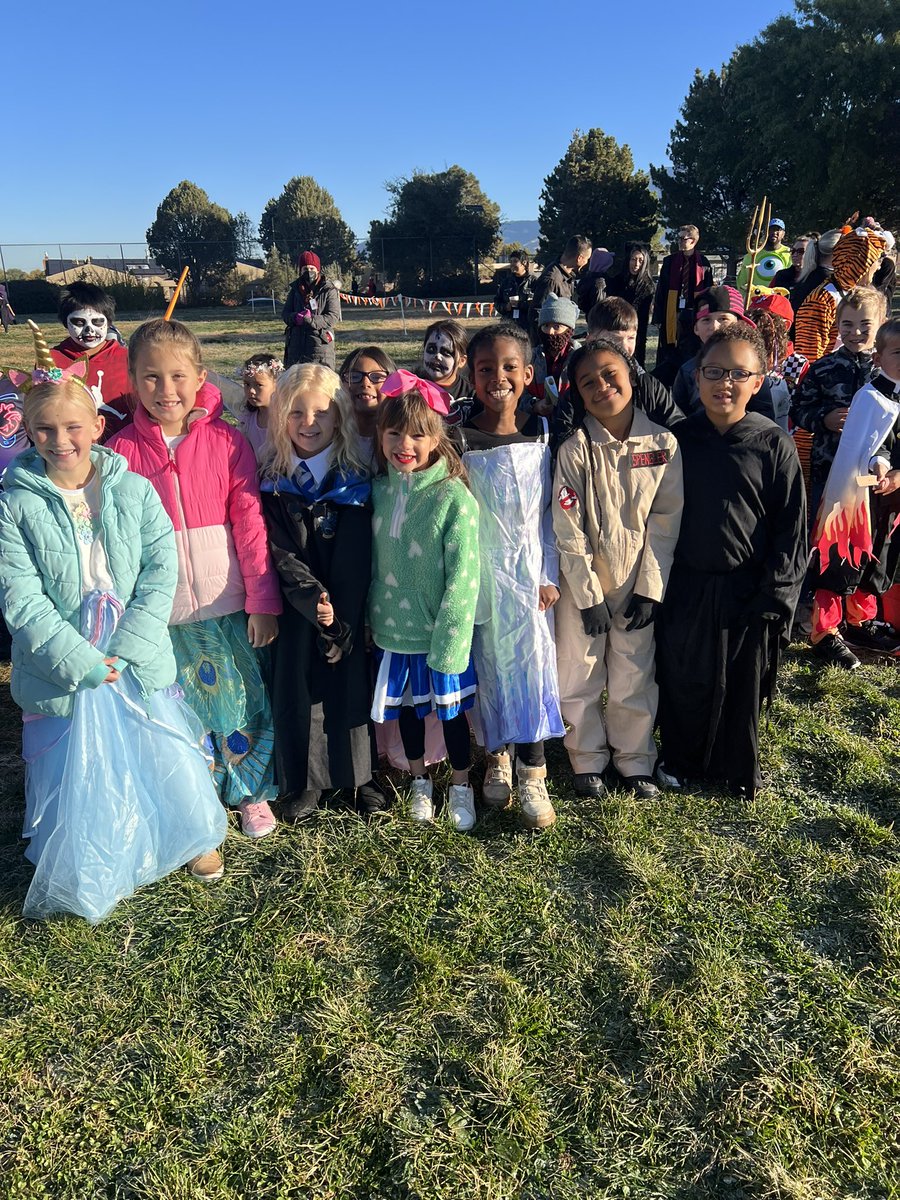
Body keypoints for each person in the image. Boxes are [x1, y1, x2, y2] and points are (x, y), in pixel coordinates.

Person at [0, 369, 227, 919]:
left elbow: (160, 569)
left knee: (156, 738)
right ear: (27, 432)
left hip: (132, 647)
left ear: (98, 426)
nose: (60, 441)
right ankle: (90, 849)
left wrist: (131, 642)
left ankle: (187, 830)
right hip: (64, 655)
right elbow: (20, 594)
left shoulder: (133, 490)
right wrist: (77, 658)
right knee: (77, 756)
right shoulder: (13, 504)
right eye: (44, 429)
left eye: (72, 427)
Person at [109, 319, 283, 838]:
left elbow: (250, 524)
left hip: (228, 600)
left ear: (201, 377)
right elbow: (117, 541)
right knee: (182, 705)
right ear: (133, 381)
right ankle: (197, 793)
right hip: (161, 612)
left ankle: (251, 791)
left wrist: (262, 601)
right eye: (151, 377)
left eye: (178, 376)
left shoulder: (228, 442)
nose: (166, 390)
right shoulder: (119, 454)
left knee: (241, 698)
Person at [655, 324, 807, 798]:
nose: (725, 383)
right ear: (696, 376)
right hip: (687, 585)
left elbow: (791, 528)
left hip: (747, 590)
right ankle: (679, 760)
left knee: (742, 683)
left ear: (758, 381)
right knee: (684, 677)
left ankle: (734, 767)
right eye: (714, 372)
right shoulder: (677, 441)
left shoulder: (773, 444)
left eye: (739, 374)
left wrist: (776, 595)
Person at [553, 339, 683, 800]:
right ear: (578, 393)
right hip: (582, 585)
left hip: (635, 583)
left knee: (634, 673)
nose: (601, 386)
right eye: (588, 381)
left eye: (610, 374)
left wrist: (650, 588)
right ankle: (586, 757)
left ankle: (634, 759)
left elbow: (665, 522)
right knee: (579, 670)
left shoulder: (663, 444)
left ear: (631, 375)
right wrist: (587, 597)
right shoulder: (576, 449)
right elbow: (567, 527)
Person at [259, 363, 386, 822]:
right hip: (295, 607)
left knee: (351, 681)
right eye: (296, 412)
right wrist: (312, 599)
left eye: (321, 412)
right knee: (299, 685)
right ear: (280, 417)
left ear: (339, 417)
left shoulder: (354, 480)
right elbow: (277, 549)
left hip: (347, 604)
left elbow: (357, 554)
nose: (308, 423)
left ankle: (360, 775)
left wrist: (340, 618)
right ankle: (306, 783)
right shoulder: (273, 481)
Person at [451, 323, 564, 830]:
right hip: (480, 572)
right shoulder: (459, 438)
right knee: (489, 664)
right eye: (485, 368)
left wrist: (548, 573)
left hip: (531, 572)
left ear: (528, 373)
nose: (498, 377)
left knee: (533, 665)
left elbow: (550, 514)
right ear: (470, 375)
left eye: (509, 367)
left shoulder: (542, 432)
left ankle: (533, 769)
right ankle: (496, 754)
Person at [368, 374, 481, 829]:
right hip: (393, 632)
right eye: (394, 433)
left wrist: (451, 642)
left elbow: (464, 578)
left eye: (417, 434)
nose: (404, 445)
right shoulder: (378, 490)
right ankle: (419, 780)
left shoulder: (453, 498)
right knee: (408, 714)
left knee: (451, 716)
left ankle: (461, 784)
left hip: (438, 636)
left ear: (436, 438)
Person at [791, 287, 889, 668]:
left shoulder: (886, 373)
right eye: (847, 324)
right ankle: (824, 627)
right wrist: (824, 419)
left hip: (876, 482)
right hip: (831, 475)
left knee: (871, 547)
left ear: (881, 325)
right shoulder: (822, 368)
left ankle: (860, 617)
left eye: (865, 325)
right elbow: (799, 409)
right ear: (836, 325)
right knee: (831, 549)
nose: (855, 332)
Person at [809, 316, 900, 667]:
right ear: (878, 357)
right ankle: (825, 631)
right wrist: (879, 465)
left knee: (879, 557)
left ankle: (860, 620)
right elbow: (869, 446)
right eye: (897, 352)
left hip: (890, 502)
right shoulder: (871, 398)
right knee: (843, 557)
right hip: (857, 498)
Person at [672, 287, 776, 421]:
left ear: (740, 323)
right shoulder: (687, 371)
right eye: (706, 320)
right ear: (696, 328)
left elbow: (765, 417)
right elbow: (677, 418)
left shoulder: (752, 367)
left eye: (723, 319)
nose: (714, 326)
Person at [49, 282, 134, 440]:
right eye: (79, 322)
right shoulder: (52, 360)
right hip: (71, 445)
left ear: (108, 322)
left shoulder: (129, 358)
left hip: (123, 444)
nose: (89, 330)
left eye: (97, 322)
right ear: (65, 322)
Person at [585, 299, 684, 431]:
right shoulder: (580, 385)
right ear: (591, 340)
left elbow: (677, 425)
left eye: (631, 338)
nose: (624, 347)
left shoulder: (648, 385)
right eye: (614, 339)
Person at [795, 223, 887, 364]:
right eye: (877, 260)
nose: (879, 266)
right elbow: (809, 357)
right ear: (862, 263)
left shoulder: (854, 293)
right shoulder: (822, 299)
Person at [651, 225, 714, 386]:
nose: (679, 241)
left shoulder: (703, 263)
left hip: (693, 313)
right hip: (671, 313)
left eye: (683, 238)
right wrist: (658, 317)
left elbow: (708, 291)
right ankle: (666, 384)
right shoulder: (669, 262)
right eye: (678, 238)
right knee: (669, 349)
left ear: (693, 241)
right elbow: (661, 291)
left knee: (691, 349)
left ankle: (689, 381)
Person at [747, 291, 809, 430]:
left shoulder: (797, 364)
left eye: (765, 320)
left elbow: (801, 409)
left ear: (785, 325)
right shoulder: (745, 356)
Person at [282, 251, 341, 370]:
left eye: (312, 268)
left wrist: (311, 320)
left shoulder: (328, 290)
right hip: (296, 346)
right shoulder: (294, 290)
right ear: (300, 270)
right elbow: (285, 314)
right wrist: (295, 317)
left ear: (318, 269)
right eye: (305, 268)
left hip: (319, 346)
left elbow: (333, 316)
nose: (309, 271)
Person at [338, 345, 397, 461]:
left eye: (377, 377)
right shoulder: (330, 437)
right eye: (354, 376)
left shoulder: (402, 439)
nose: (365, 383)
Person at [530, 235, 592, 338]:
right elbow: (537, 314)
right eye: (587, 259)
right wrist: (549, 341)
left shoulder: (566, 276)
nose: (587, 263)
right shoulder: (552, 280)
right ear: (580, 258)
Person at [605, 243, 655, 366]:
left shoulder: (648, 286)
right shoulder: (617, 281)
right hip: (615, 329)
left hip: (635, 333)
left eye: (640, 260)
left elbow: (642, 320)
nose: (636, 264)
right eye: (633, 259)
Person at [528, 294, 579, 414]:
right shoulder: (531, 358)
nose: (550, 332)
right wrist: (534, 404)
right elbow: (520, 393)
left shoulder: (580, 358)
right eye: (546, 326)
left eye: (557, 326)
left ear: (569, 330)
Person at [414, 319, 472, 420]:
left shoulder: (472, 395)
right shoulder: (410, 388)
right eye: (431, 349)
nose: (437, 356)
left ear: (462, 361)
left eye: (446, 352)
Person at [238, 353, 283, 464]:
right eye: (247, 384)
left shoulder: (285, 419)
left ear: (276, 384)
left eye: (259, 385)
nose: (251, 391)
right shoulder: (248, 419)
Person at [736, 218, 792, 294]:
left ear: (783, 234)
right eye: (771, 229)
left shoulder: (790, 254)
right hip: (756, 299)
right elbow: (742, 284)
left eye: (778, 230)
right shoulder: (752, 255)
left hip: (778, 299)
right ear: (765, 232)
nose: (774, 232)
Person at [494, 251, 535, 331]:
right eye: (511, 261)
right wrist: (505, 307)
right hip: (508, 327)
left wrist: (520, 305)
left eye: (515, 261)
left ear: (524, 263)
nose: (512, 264)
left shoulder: (534, 282)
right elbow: (497, 301)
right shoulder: (505, 282)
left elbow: (537, 304)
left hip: (528, 327)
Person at [575, 248, 614, 316]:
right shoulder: (600, 283)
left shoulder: (587, 279)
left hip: (589, 317)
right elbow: (599, 309)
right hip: (599, 320)